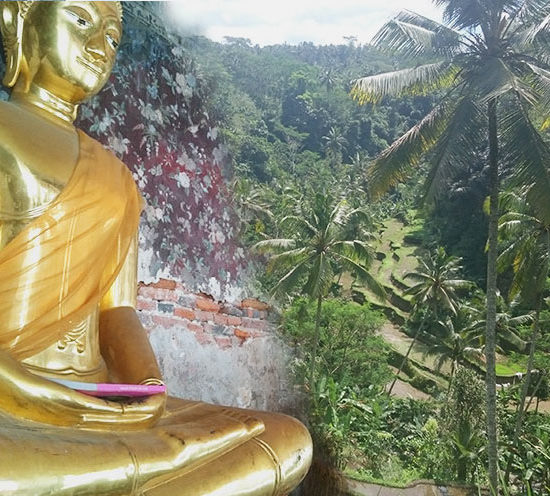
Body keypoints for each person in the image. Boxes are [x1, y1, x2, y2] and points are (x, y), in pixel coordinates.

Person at [0, 2, 312, 494]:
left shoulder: (117, 176)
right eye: (81, 19)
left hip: (98, 399)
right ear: (17, 19)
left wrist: (147, 388)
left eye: (113, 36)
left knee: (283, 438)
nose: (101, 45)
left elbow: (117, 310)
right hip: (11, 395)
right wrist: (29, 391)